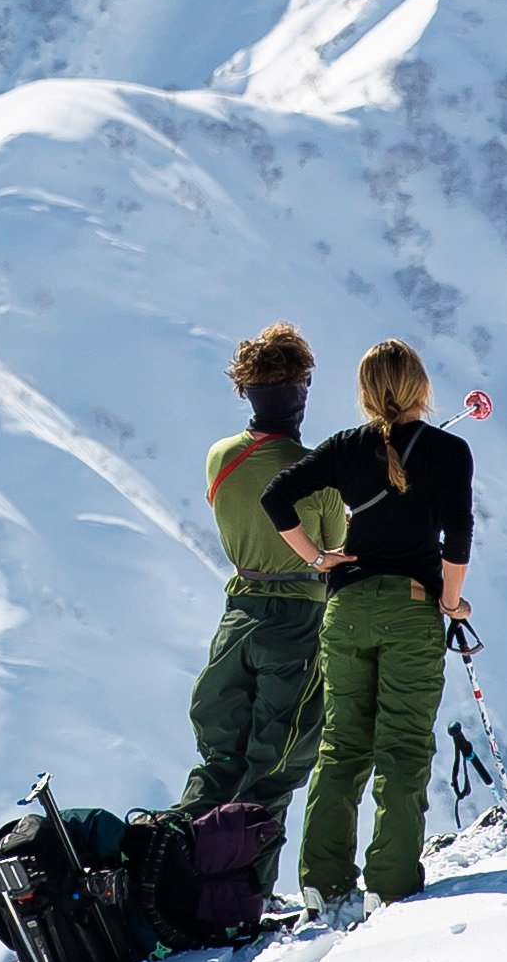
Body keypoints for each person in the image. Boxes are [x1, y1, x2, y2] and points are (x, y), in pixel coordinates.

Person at [263, 342, 474, 922]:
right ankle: (392, 883)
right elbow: (457, 537)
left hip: (346, 609)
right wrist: (451, 604)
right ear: (421, 388)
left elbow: (276, 495)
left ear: (364, 392)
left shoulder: (345, 448)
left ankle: (322, 882)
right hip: (410, 610)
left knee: (341, 747)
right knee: (402, 746)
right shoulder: (450, 450)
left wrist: (316, 558)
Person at [182, 323, 338, 882]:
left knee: (221, 755)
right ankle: (247, 891)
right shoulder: (316, 471)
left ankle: (178, 876)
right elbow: (330, 551)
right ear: (300, 390)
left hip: (237, 616)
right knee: (274, 763)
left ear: (247, 390)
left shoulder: (219, 456)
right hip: (297, 623)